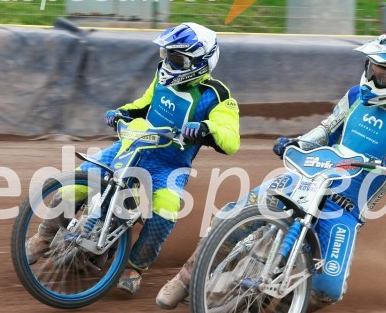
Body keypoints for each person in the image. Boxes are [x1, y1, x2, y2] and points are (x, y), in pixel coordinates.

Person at [155, 32, 386, 311]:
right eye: (374, 67)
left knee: (329, 289)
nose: (377, 75)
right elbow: (326, 130)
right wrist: (298, 142)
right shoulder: (355, 97)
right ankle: (184, 278)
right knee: (233, 215)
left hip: (345, 206)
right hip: (309, 177)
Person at [25, 23, 241, 297]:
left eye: (175, 58)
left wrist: (207, 129)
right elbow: (143, 104)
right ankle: (43, 237)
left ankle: (135, 268)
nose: (167, 62)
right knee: (73, 186)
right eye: (166, 54)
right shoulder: (162, 77)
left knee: (165, 214)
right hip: (131, 146)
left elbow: (231, 137)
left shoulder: (217, 96)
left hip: (169, 165)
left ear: (198, 61)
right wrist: (121, 113)